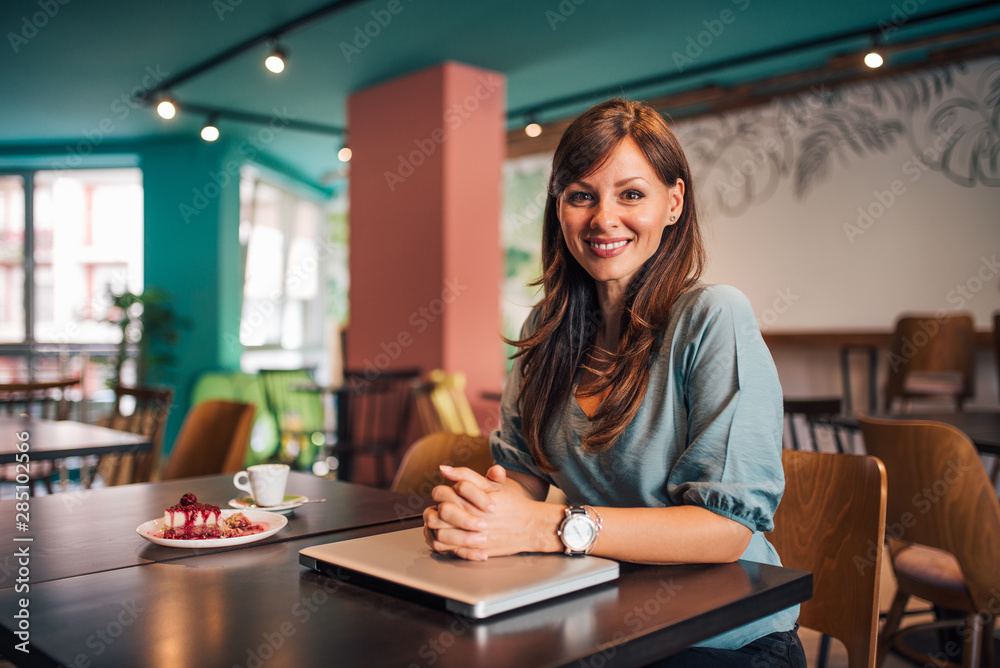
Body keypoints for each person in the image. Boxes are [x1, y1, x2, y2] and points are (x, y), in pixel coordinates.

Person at [423, 98, 806, 667]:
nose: (604, 218)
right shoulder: (544, 331)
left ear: (673, 203)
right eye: (582, 195)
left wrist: (547, 526)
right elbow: (523, 479)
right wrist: (475, 516)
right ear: (560, 208)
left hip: (723, 637)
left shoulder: (713, 317)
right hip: (599, 614)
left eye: (631, 194)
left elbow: (723, 530)